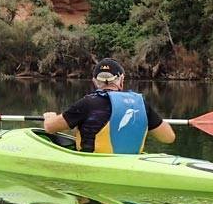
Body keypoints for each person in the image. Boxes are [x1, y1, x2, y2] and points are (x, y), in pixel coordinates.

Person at [42, 58, 175, 153]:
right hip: (132, 164)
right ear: (121, 79)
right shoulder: (140, 104)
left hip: (96, 163)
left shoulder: (87, 103)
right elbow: (169, 137)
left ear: (95, 81)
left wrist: (50, 117)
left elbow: (49, 127)